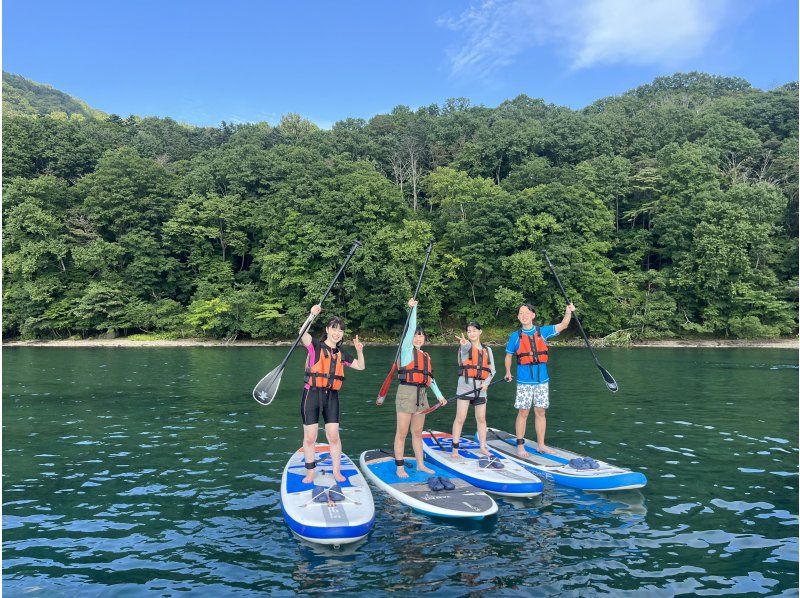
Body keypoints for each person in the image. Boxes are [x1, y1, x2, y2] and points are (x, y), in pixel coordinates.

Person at [300, 304, 365, 484]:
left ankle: (336, 471)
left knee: (334, 436)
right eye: (334, 329)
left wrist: (359, 350)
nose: (337, 333)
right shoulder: (315, 346)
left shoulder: (341, 354)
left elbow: (360, 366)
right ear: (327, 330)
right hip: (311, 395)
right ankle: (310, 472)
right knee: (310, 437)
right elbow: (302, 334)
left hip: (332, 397)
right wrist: (312, 315)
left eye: (340, 331)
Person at [504, 302, 574, 457]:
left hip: (542, 381)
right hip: (524, 382)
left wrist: (568, 312)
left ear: (533, 315)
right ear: (518, 317)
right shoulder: (515, 337)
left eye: (527, 313)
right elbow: (508, 355)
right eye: (521, 313)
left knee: (540, 412)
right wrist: (508, 371)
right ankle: (520, 445)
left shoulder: (542, 332)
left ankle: (541, 445)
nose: (524, 316)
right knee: (523, 412)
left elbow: (563, 325)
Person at [394, 298, 447, 478]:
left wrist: (439, 396)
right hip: (406, 394)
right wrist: (414, 309)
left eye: (421, 335)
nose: (418, 337)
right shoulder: (407, 349)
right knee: (402, 433)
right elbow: (410, 328)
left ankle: (420, 464)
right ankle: (400, 466)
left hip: (422, 396)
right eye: (416, 335)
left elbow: (430, 379)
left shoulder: (426, 356)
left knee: (417, 433)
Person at [451, 321, 495, 458]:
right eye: (469, 331)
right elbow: (466, 347)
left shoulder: (488, 350)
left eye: (474, 330)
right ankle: (455, 449)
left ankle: (482, 447)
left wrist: (487, 383)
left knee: (481, 419)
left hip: (481, 389)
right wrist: (464, 343)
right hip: (465, 387)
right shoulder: (465, 346)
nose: (472, 333)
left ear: (480, 332)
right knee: (460, 418)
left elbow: (492, 370)